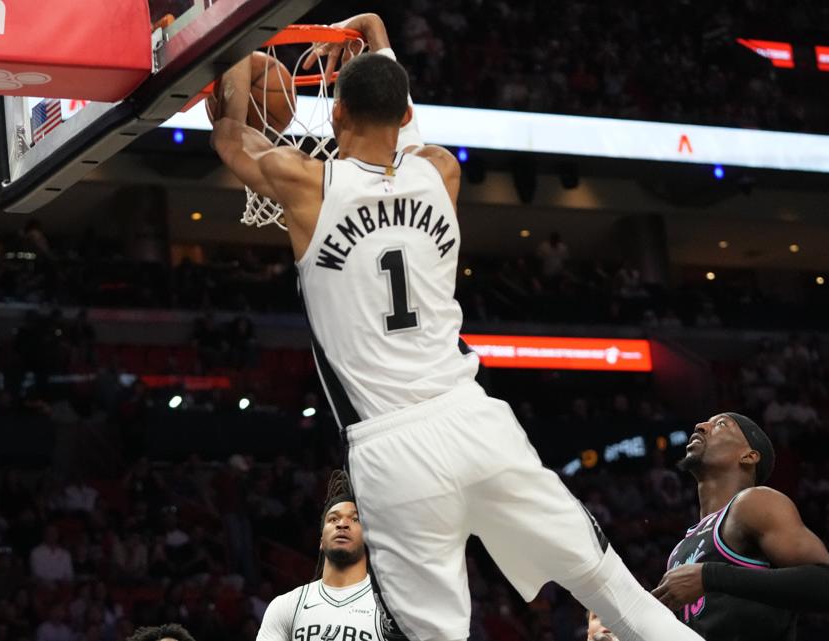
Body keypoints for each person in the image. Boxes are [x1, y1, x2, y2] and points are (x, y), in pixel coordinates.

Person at [207, 12, 701, 641]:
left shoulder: (307, 184)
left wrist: (230, 62)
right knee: (614, 590)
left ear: (336, 115)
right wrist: (376, 34)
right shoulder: (440, 171)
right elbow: (404, 121)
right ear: (404, 113)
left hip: (392, 449)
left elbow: (230, 139)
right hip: (477, 421)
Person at [653, 413, 829, 640]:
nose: (700, 426)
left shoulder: (754, 503)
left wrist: (710, 576)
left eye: (721, 424)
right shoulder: (680, 549)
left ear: (749, 456)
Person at [256, 471, 379, 641]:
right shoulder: (287, 606)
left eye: (354, 519)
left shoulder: (388, 611)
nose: (342, 524)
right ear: (321, 540)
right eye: (333, 519)